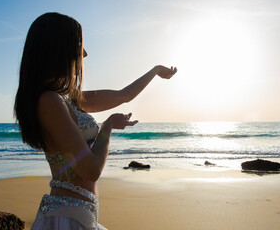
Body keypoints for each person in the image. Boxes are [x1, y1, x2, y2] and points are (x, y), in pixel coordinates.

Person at [14, 12, 177, 230]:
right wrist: (107, 127)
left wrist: (156, 70)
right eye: (79, 45)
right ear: (59, 49)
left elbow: (124, 95)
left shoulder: (67, 99)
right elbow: (90, 170)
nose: (85, 53)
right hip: (65, 220)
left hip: (79, 217)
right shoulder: (48, 101)